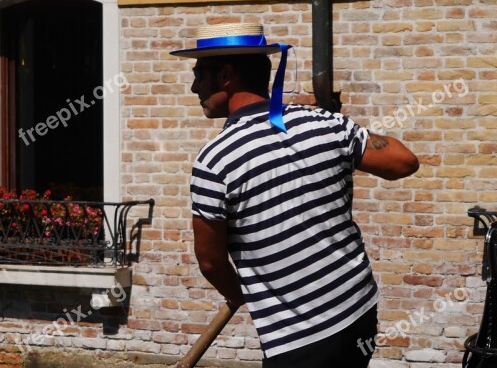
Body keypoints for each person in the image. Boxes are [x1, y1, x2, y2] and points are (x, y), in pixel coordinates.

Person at [171, 23, 419, 368]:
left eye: (199, 73)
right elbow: (403, 161)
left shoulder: (214, 161)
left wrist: (240, 294)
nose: (194, 86)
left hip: (297, 337)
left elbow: (211, 261)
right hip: (358, 310)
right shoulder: (328, 124)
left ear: (226, 75)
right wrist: (336, 126)